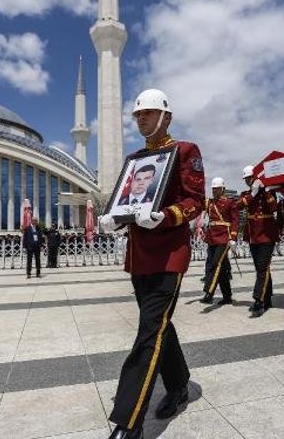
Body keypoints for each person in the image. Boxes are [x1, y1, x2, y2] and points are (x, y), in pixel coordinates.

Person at [98, 88, 205, 439]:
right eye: (137, 114)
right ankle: (178, 386)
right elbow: (127, 200)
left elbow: (195, 200)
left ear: (166, 117)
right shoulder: (135, 159)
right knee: (159, 326)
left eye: (148, 112)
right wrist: (114, 218)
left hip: (168, 254)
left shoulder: (185, 151)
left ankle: (129, 423)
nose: (140, 117)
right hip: (139, 256)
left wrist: (168, 216)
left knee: (148, 334)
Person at [236, 165, 279, 316]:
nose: (248, 181)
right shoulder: (247, 194)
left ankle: (259, 300)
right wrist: (253, 193)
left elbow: (274, 207)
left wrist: (266, 190)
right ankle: (268, 297)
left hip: (267, 234)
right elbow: (238, 205)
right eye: (246, 179)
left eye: (250, 178)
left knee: (262, 267)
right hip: (253, 235)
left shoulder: (269, 191)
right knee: (261, 267)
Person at [201, 177, 239, 305]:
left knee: (215, 264)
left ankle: (209, 293)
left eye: (217, 189)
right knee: (222, 269)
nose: (214, 191)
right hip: (212, 237)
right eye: (213, 189)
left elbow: (235, 220)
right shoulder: (209, 203)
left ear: (222, 189)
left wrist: (233, 238)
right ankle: (227, 297)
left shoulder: (229, 202)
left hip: (224, 237)